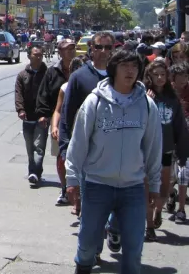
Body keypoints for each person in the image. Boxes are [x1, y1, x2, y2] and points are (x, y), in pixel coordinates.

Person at [65, 49, 163, 274]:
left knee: (133, 249)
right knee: (88, 243)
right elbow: (78, 142)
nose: (130, 71)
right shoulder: (94, 102)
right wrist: (72, 179)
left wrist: (155, 186)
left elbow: (153, 148)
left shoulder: (147, 105)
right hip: (97, 186)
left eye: (135, 67)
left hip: (133, 188)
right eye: (124, 66)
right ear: (113, 70)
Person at [59, 31, 124, 253]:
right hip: (88, 154)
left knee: (120, 199)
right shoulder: (79, 78)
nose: (104, 52)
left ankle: (115, 228)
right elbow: (68, 115)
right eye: (99, 47)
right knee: (90, 207)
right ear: (91, 50)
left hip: (118, 152)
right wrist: (66, 147)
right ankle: (93, 250)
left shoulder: (122, 76)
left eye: (108, 47)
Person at [141, 58, 188, 241]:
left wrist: (183, 151)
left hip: (166, 150)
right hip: (146, 151)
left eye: (163, 74)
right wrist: (146, 101)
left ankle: (158, 211)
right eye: (156, 74)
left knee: (163, 187)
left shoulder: (172, 99)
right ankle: (149, 226)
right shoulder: (142, 95)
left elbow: (180, 126)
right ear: (149, 76)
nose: (160, 78)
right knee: (147, 188)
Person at [40, 41, 75, 206]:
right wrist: (45, 116)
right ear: (60, 51)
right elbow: (44, 93)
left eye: (72, 48)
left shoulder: (83, 68)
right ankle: (64, 188)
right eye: (67, 49)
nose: (71, 51)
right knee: (61, 156)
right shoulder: (52, 71)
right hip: (59, 120)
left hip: (80, 120)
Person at [167, 61, 189, 224]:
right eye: (180, 76)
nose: (184, 79)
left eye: (186, 76)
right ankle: (170, 193)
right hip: (167, 141)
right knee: (169, 176)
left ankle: (181, 210)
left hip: (186, 142)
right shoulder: (167, 94)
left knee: (184, 174)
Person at [15, 45, 49, 187]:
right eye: (36, 54)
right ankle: (35, 172)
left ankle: (33, 173)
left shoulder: (48, 74)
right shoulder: (22, 75)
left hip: (42, 117)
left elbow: (51, 95)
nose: (39, 57)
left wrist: (46, 114)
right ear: (29, 56)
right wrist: (20, 110)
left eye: (41, 55)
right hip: (27, 117)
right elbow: (18, 93)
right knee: (30, 148)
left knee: (39, 147)